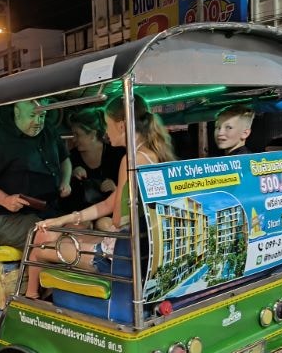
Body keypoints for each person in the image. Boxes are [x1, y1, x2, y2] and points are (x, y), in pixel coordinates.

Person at [25, 94, 175, 298]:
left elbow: (117, 217)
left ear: (121, 126)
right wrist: (63, 219)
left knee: (37, 247)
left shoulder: (130, 160)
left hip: (114, 257)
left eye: (107, 124)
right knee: (49, 234)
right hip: (132, 249)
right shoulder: (153, 155)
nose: (105, 131)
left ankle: (31, 302)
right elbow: (107, 204)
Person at [0, 98, 72, 250]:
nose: (38, 122)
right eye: (32, 116)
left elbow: (64, 160)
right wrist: (5, 199)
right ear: (17, 112)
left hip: (49, 212)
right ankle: (33, 272)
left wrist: (65, 181)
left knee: (81, 227)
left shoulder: (49, 130)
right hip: (10, 220)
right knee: (53, 237)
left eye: (42, 116)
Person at [63, 109, 125, 212]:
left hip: (111, 212)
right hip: (81, 214)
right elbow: (66, 198)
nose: (73, 139)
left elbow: (131, 194)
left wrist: (116, 189)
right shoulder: (70, 158)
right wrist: (70, 176)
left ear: (92, 135)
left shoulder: (117, 155)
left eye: (77, 135)